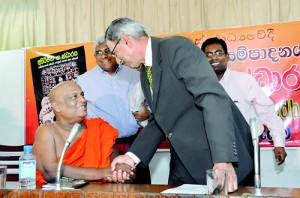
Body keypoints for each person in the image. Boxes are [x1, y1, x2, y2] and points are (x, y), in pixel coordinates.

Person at [104, 17, 254, 192]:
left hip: (219, 159)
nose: (118, 60)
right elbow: (161, 119)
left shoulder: (175, 48)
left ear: (126, 40)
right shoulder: (146, 72)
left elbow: (212, 98)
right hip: (185, 161)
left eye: (115, 52)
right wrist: (131, 157)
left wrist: (223, 159)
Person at [76, 36, 151, 184]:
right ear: (94, 56)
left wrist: (148, 112)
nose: (104, 55)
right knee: (112, 188)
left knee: (141, 186)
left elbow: (151, 101)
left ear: (116, 52)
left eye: (108, 50)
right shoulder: (83, 81)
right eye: (99, 52)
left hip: (135, 142)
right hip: (105, 146)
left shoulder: (135, 75)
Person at [200, 37, 287, 165]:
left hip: (244, 148)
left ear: (227, 57)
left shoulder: (245, 81)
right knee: (214, 184)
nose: (214, 58)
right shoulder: (199, 85)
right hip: (211, 149)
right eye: (209, 55)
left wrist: (279, 143)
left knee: (245, 186)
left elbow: (267, 113)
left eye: (219, 53)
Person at [32, 81, 131, 183]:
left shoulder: (100, 128)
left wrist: (121, 172)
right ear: (57, 106)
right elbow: (51, 172)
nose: (83, 100)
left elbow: (115, 169)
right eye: (74, 97)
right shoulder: (47, 131)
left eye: (82, 95)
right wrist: (102, 173)